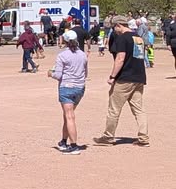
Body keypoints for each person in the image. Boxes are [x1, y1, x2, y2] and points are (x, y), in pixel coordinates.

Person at [93, 15, 149, 147]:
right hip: (139, 77)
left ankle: (108, 137)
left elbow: (120, 58)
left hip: (125, 78)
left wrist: (112, 76)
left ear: (119, 25)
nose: (114, 30)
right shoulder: (138, 37)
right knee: (139, 109)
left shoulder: (123, 38)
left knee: (114, 108)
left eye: (114, 27)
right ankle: (143, 137)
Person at [49, 30, 87, 155]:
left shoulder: (62, 55)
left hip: (67, 87)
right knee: (68, 114)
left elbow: (58, 75)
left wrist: (50, 74)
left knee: (69, 116)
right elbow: (85, 73)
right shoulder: (82, 54)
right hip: (79, 87)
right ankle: (64, 141)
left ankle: (74, 145)